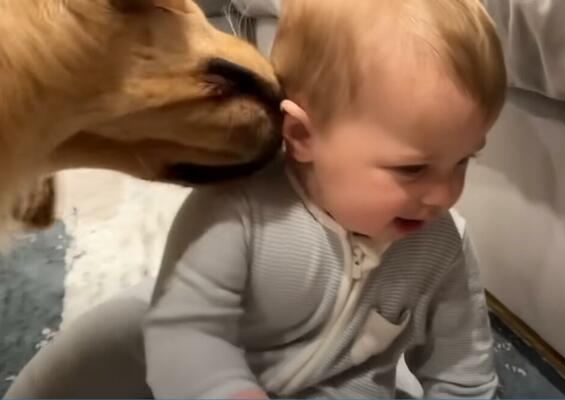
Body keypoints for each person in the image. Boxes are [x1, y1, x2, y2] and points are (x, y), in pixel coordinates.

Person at [143, 0, 507, 398]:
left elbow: (463, 376)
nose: (446, 195)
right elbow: (184, 336)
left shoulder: (441, 246)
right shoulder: (236, 213)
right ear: (302, 135)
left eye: (463, 160)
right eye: (413, 169)